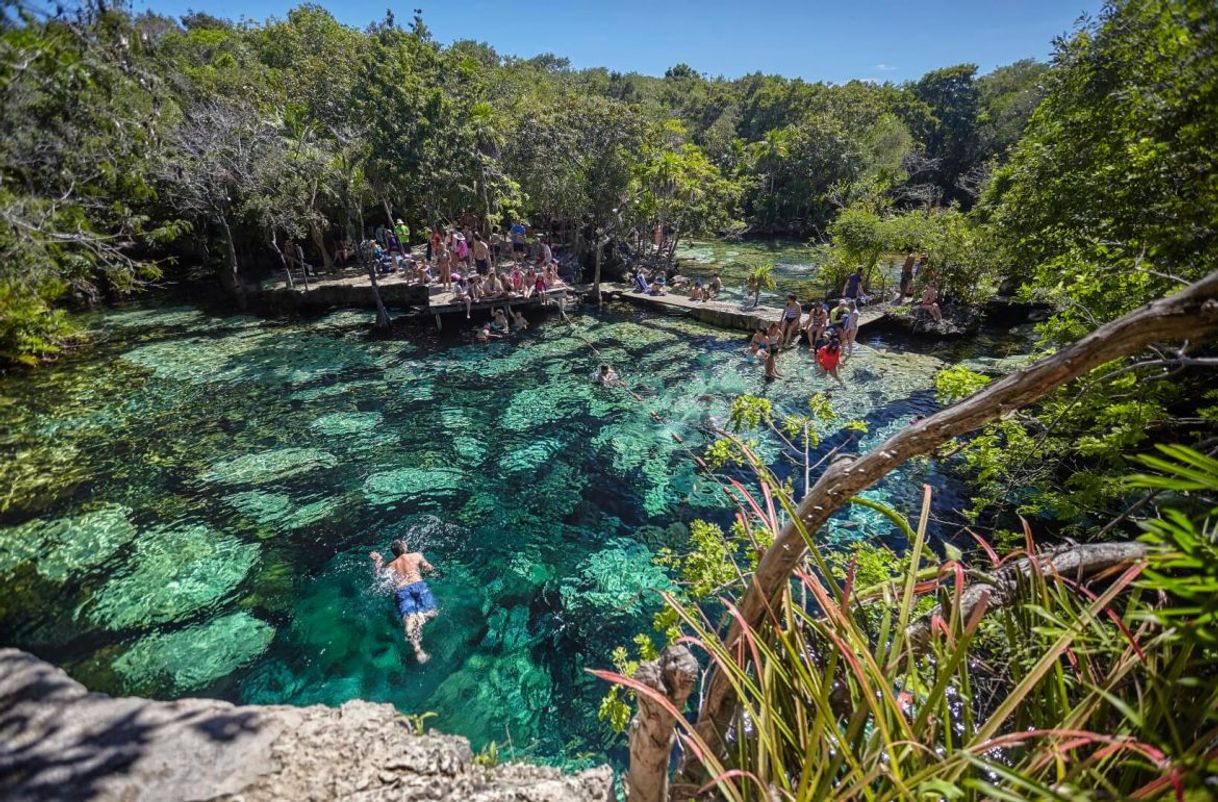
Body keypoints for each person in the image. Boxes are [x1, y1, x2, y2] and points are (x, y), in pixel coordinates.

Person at [370, 541, 438, 663]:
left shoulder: (390, 565)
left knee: (409, 623)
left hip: (401, 591)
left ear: (394, 553)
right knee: (433, 613)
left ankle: (419, 652)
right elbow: (429, 569)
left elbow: (379, 576)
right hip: (419, 585)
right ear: (405, 547)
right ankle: (422, 617)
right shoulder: (416, 555)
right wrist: (434, 573)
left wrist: (377, 560)